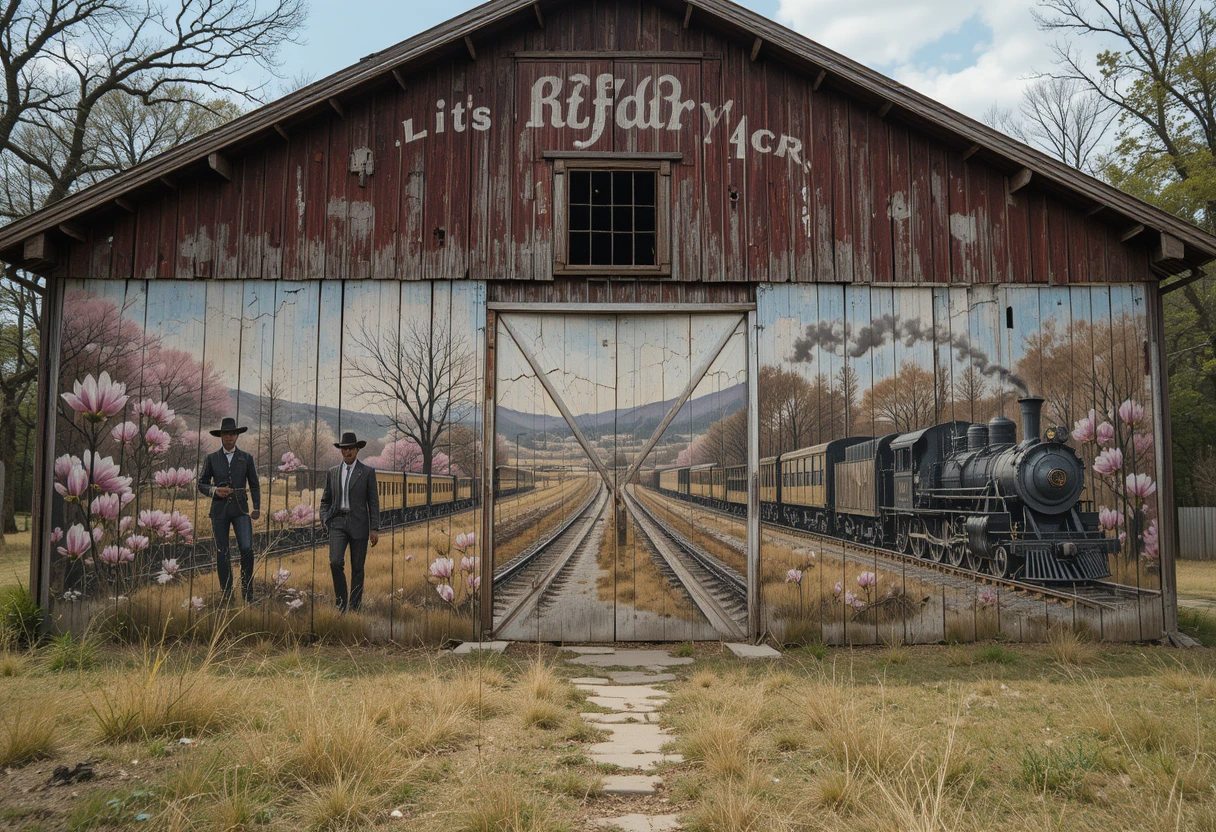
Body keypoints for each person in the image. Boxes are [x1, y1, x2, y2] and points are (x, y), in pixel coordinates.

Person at [197, 417, 261, 602]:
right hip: (219, 511)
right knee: (222, 552)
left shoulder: (246, 458)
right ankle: (227, 596)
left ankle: (248, 593)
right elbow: (201, 484)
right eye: (225, 434)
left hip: (241, 509)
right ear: (221, 436)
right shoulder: (212, 458)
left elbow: (255, 485)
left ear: (237, 436)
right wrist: (215, 491)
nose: (229, 438)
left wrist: (256, 507)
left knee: (247, 549)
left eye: (232, 434)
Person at [320, 432, 380, 612]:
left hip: (359, 523)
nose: (348, 452)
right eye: (344, 449)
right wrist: (325, 519)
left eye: (351, 448)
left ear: (357, 450)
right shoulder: (332, 473)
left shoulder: (367, 472)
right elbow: (325, 500)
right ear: (341, 451)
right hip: (337, 522)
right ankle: (341, 603)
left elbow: (373, 502)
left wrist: (374, 528)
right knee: (335, 562)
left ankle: (354, 608)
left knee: (357, 568)